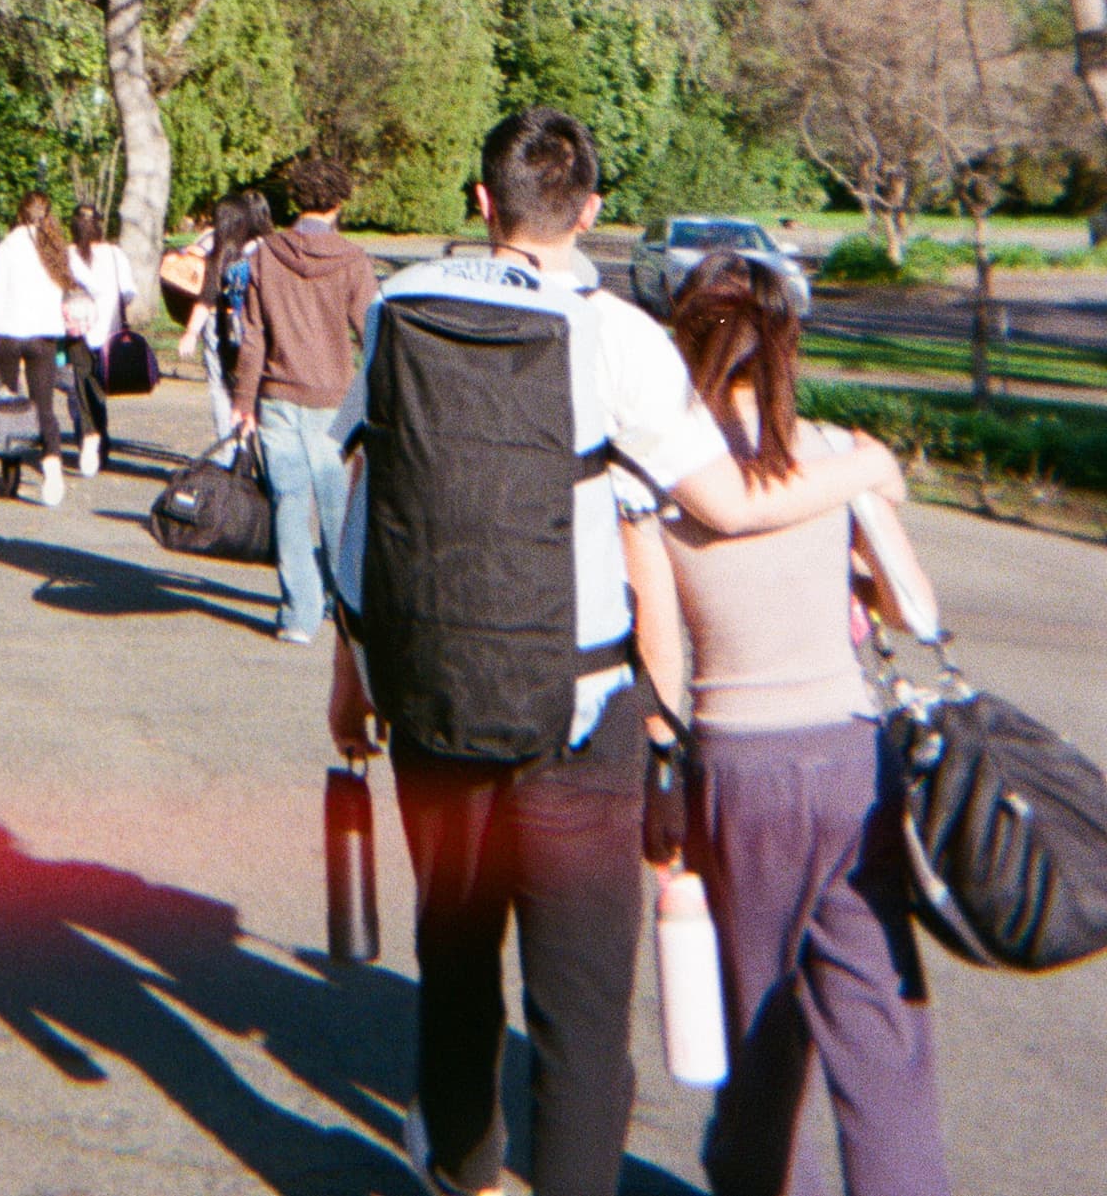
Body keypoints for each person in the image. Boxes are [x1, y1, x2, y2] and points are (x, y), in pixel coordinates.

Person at [324, 107, 915, 1196]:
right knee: (582, 999)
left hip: (428, 699)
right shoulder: (621, 338)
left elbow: (366, 495)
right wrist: (864, 467)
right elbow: (723, 501)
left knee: (453, 953)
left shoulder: (395, 307)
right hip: (581, 711)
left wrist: (349, 670)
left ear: (478, 200)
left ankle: (462, 1165)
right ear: (591, 212)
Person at [621, 251, 950, 1196]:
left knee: (756, 1022)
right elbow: (910, 607)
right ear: (787, 345)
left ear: (683, 340)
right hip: (853, 755)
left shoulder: (658, 476)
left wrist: (663, 775)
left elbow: (662, 644)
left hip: (737, 764)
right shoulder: (837, 453)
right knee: (880, 1036)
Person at [231, 152, 377, 643]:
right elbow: (372, 332)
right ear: (338, 201)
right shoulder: (353, 261)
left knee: (288, 506)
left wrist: (242, 401)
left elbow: (253, 336)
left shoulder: (264, 255)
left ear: (297, 198)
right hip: (335, 401)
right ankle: (344, 606)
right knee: (337, 507)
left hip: (275, 396)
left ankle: (298, 616)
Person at [0, 190, 74, 507]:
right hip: (44, 335)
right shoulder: (54, 249)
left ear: (19, 213)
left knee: (8, 407)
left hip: (9, 333)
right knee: (43, 406)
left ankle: (10, 479)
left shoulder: (7, 247)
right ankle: (52, 468)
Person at [179, 188, 273, 440]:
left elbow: (205, 298)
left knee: (220, 388)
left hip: (222, 329)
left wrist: (190, 332)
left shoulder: (218, 252)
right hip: (257, 330)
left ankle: (229, 448)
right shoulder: (268, 251)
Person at [63, 201, 138, 477]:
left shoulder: (69, 255)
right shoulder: (116, 254)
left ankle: (90, 440)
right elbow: (129, 292)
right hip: (110, 328)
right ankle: (99, 440)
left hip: (77, 327)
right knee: (99, 386)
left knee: (83, 385)